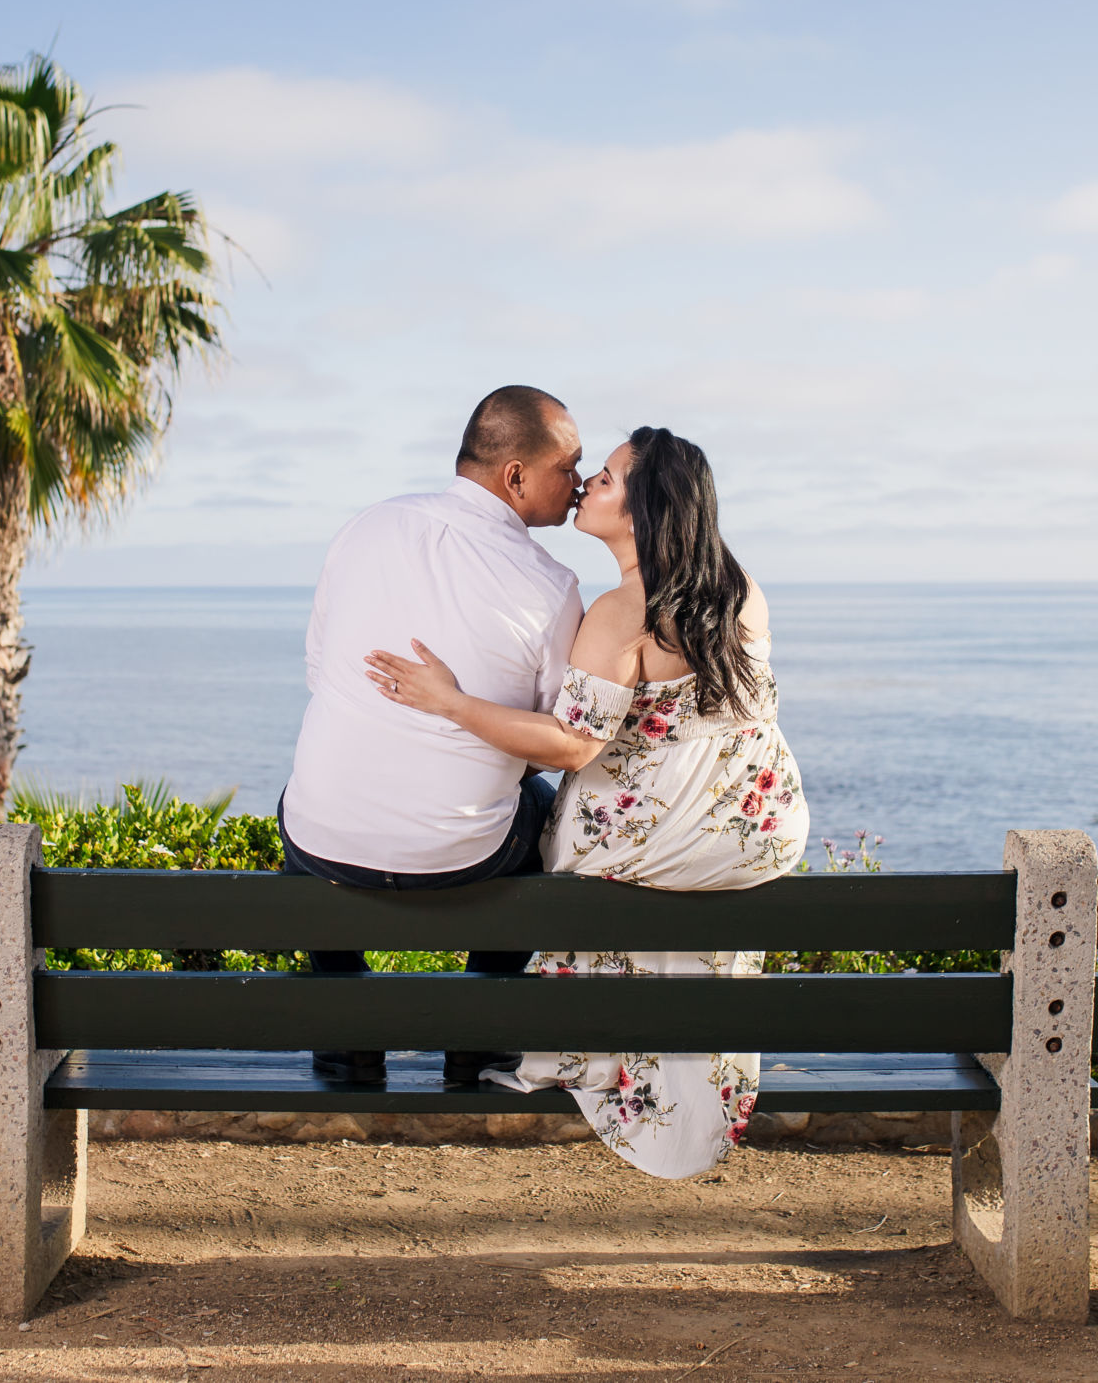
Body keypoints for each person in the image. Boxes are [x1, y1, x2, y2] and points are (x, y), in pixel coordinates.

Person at [365, 425, 807, 1178]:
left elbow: (571, 747)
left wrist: (451, 702)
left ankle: (509, 1031)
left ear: (644, 507)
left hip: (655, 841)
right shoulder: (741, 589)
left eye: (604, 477)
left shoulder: (620, 611)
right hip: (754, 831)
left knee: (534, 811)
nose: (585, 486)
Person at [279, 384, 588, 1085]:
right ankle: (477, 1037)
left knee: (304, 800)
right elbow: (550, 737)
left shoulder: (366, 527)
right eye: (567, 466)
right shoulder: (551, 585)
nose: (576, 485)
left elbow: (320, 669)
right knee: (549, 810)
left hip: (327, 843)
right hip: (466, 854)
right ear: (515, 476)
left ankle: (349, 1038)